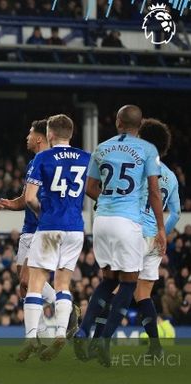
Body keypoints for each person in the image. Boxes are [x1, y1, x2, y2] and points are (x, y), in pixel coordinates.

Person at [75, 105, 166, 366]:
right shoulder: (148, 150)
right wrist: (160, 228)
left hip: (102, 219)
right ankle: (103, 341)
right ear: (140, 125)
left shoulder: (101, 148)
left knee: (107, 279)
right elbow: (154, 192)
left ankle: (84, 329)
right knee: (128, 283)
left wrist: (107, 200)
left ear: (117, 122)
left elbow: (90, 187)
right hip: (128, 223)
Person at [17, 114, 90, 362]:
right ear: (70, 134)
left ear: (49, 134)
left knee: (35, 283)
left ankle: (31, 337)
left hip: (50, 227)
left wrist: (43, 212)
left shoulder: (43, 157)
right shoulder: (85, 157)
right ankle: (60, 331)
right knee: (63, 284)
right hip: (75, 228)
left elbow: (28, 198)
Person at [133, 119, 180, 357]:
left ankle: (98, 341)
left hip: (135, 233)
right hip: (155, 240)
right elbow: (177, 212)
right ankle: (155, 347)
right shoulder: (170, 177)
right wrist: (163, 234)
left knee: (112, 287)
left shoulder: (139, 167)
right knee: (143, 295)